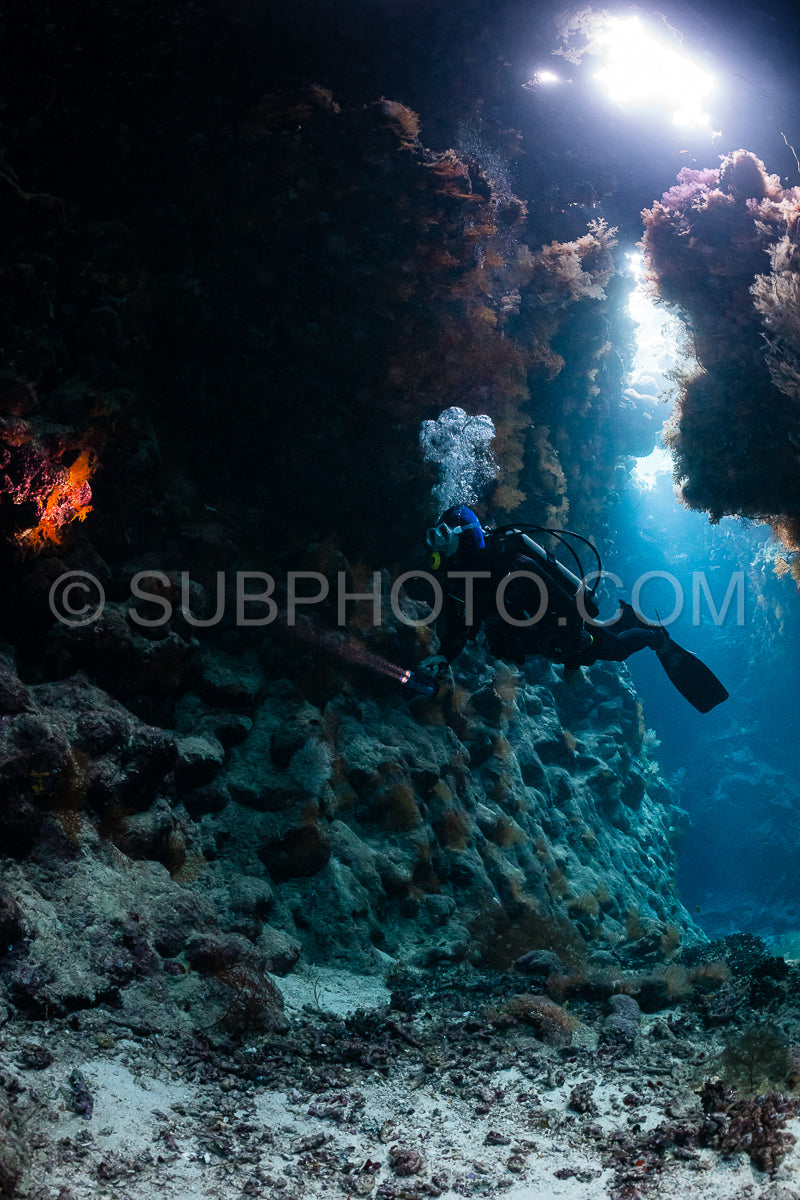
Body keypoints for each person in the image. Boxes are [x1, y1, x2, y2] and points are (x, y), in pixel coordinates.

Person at [422, 505, 665, 673]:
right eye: (433, 536)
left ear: (466, 534)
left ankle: (654, 635)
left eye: (443, 534)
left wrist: (571, 663)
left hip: (567, 633)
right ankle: (627, 617)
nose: (438, 545)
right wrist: (445, 656)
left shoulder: (516, 566)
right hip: (545, 639)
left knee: (616, 649)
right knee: (607, 636)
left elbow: (569, 610)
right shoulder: (460, 579)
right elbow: (458, 625)